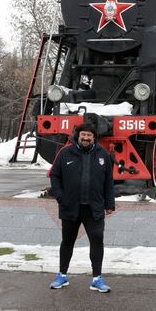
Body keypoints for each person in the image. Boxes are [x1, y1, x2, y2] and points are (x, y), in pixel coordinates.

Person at [49, 122, 115, 293]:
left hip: (94, 208)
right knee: (67, 241)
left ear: (94, 137)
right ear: (78, 136)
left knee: (97, 241)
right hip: (70, 207)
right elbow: (54, 176)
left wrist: (109, 204)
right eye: (83, 135)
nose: (86, 138)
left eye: (89, 135)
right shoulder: (65, 153)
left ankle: (97, 279)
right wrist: (60, 197)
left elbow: (108, 182)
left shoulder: (103, 155)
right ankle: (62, 275)